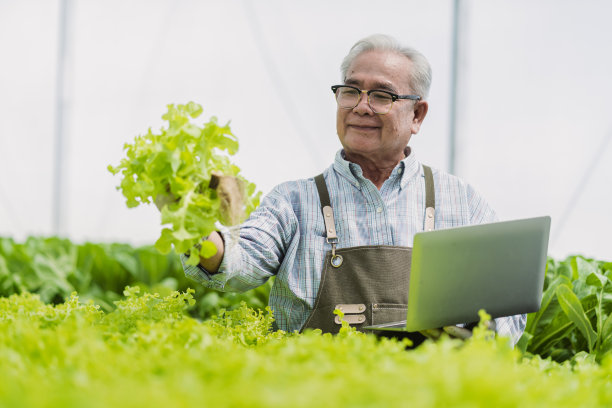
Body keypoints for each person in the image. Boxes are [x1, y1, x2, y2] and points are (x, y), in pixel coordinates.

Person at [181, 34, 525, 344]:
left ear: (417, 115)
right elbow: (236, 266)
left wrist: (480, 343)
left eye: (381, 95)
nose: (361, 106)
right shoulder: (293, 202)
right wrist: (186, 219)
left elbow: (506, 311)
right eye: (350, 91)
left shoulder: (461, 202)